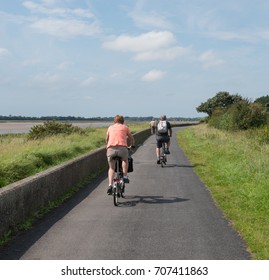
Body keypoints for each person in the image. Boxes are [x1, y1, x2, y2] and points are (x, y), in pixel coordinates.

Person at [106, 115, 135, 195]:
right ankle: (125, 176)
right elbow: (131, 138)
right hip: (122, 148)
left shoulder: (110, 128)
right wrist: (132, 144)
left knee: (111, 168)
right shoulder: (125, 127)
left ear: (114, 121)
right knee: (125, 160)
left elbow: (107, 139)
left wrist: (108, 147)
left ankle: (110, 185)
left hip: (111, 149)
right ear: (123, 121)